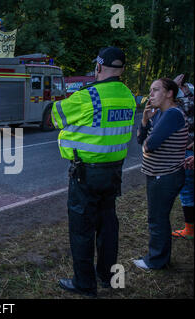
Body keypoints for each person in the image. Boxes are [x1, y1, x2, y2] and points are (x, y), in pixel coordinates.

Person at [51, 47, 136, 297]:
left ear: (98, 67)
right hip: (114, 173)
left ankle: (85, 284)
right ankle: (107, 276)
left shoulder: (89, 97)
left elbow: (56, 117)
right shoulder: (128, 96)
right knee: (108, 226)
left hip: (85, 175)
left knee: (82, 229)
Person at [135, 78, 188, 270]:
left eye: (156, 90)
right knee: (157, 217)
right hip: (157, 173)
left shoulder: (172, 114)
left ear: (169, 93)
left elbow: (150, 145)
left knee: (157, 218)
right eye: (150, 90)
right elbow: (140, 139)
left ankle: (156, 261)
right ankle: (159, 258)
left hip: (165, 175)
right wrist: (144, 120)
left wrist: (147, 141)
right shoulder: (159, 114)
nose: (151, 95)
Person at [172, 74, 194, 239]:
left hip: (187, 151)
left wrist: (172, 86)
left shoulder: (182, 106)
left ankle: (190, 229)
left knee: (187, 190)